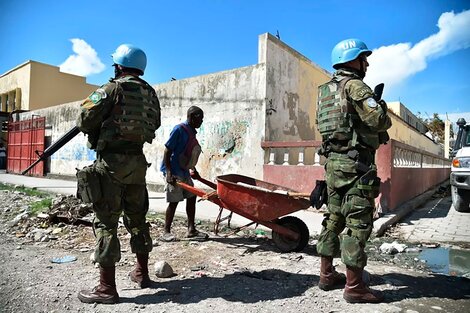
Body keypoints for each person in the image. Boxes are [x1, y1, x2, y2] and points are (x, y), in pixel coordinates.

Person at [75, 44, 161, 304]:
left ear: (119, 65)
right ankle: (142, 273)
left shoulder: (111, 89)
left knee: (106, 223)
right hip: (137, 163)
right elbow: (154, 123)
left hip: (111, 164)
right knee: (138, 219)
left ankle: (106, 288)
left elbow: (83, 119)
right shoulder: (150, 92)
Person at [315, 38, 392, 303]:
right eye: (363, 58)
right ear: (351, 60)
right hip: (356, 165)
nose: (367, 63)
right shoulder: (356, 86)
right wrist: (380, 107)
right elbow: (379, 120)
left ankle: (326, 275)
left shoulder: (325, 90)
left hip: (333, 164)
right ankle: (355, 287)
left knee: (333, 218)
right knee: (358, 224)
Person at [160, 106, 207, 242]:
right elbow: (167, 151)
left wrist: (193, 169)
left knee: (191, 197)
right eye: (200, 119)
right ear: (192, 117)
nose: (201, 122)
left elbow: (188, 152)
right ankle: (166, 231)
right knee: (174, 201)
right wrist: (169, 172)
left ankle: (191, 229)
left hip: (183, 171)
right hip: (173, 171)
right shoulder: (179, 129)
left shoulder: (192, 132)